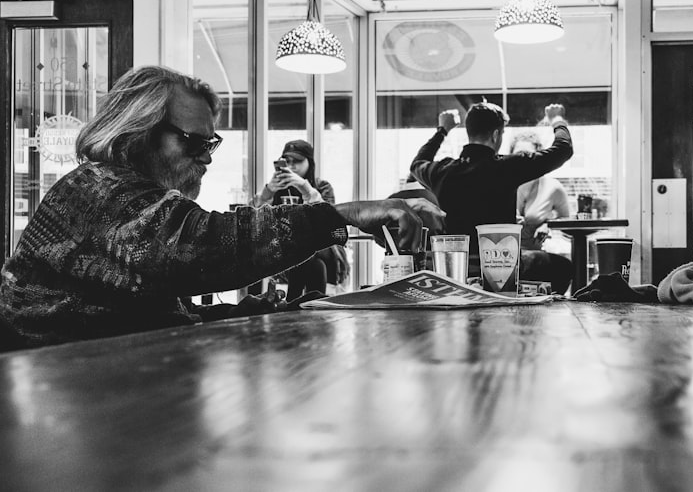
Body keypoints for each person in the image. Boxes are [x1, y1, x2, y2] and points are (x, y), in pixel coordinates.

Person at [0, 65, 444, 348]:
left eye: (211, 142)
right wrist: (340, 215)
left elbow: (146, 313)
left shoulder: (130, 195)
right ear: (138, 132)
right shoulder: (94, 187)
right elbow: (195, 247)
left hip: (103, 379)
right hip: (56, 393)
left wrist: (255, 312)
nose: (207, 156)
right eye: (194, 142)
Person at [410, 104, 574, 293]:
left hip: (455, 270)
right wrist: (557, 119)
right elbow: (563, 149)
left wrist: (442, 130)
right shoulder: (507, 167)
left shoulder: (441, 171)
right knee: (563, 267)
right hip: (501, 267)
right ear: (496, 135)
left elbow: (417, 164)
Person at [253, 139, 350, 300]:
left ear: (309, 163)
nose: (292, 166)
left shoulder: (321, 187)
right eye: (287, 161)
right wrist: (268, 192)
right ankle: (308, 303)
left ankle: (294, 302)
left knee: (311, 254)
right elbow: (257, 220)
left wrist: (304, 187)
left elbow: (327, 219)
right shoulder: (276, 189)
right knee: (311, 261)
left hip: (320, 248)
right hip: (288, 249)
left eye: (297, 161)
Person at [511, 131, 574, 292]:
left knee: (563, 268)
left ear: (538, 157)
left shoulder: (553, 187)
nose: (522, 160)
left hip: (534, 256)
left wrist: (548, 225)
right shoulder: (504, 182)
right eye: (518, 154)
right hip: (504, 256)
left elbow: (567, 220)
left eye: (528, 155)